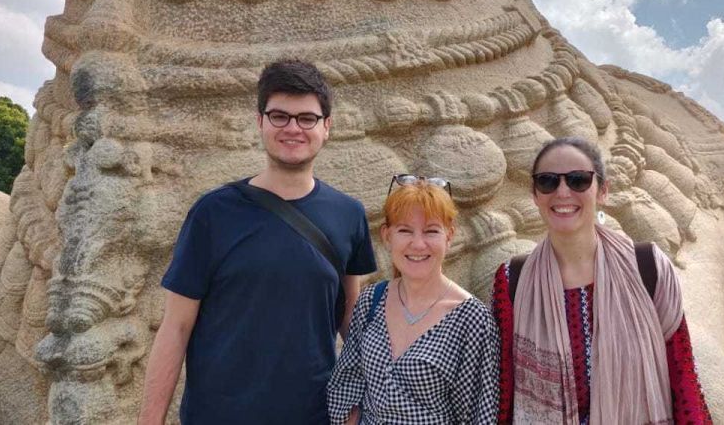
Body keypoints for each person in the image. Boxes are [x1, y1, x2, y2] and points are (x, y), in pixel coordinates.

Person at [138, 60, 377, 424]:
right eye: (279, 116)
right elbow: (176, 327)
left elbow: (351, 319)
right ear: (260, 121)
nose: (293, 128)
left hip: (313, 414)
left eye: (307, 118)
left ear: (326, 127)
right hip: (218, 415)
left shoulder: (349, 214)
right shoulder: (213, 213)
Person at [492, 137, 712, 424]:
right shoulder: (512, 280)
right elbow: (504, 395)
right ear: (535, 194)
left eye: (578, 180)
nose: (562, 192)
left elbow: (683, 379)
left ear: (603, 191)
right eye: (547, 181)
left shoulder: (647, 267)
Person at [328, 175, 499, 424]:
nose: (418, 244)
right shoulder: (371, 301)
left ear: (449, 235)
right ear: (387, 236)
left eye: (431, 231)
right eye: (405, 230)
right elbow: (347, 382)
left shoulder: (471, 319)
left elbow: (478, 414)